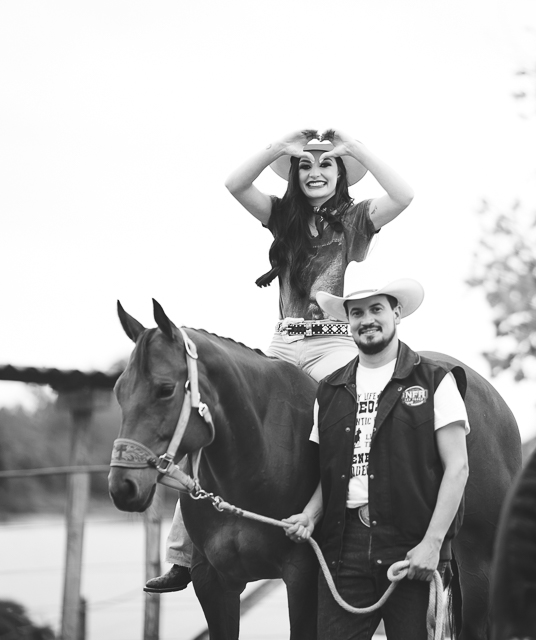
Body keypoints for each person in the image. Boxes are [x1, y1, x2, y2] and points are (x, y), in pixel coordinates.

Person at [144, 129, 414, 593]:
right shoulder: (281, 215)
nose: (315, 172)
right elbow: (234, 184)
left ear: (340, 175)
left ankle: (367, 531)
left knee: (357, 419)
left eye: (326, 165)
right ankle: (183, 555)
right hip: (284, 342)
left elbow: (404, 195)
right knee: (217, 418)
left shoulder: (354, 218)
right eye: (305, 166)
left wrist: (353, 149)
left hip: (333, 343)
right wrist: (279, 147)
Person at [282, 278, 469, 640]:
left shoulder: (435, 382)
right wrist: (309, 514)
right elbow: (334, 474)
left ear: (396, 312)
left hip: (412, 547)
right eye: (356, 313)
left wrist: (432, 545)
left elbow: (457, 468)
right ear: (348, 322)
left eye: (376, 309)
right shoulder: (330, 390)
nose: (366, 319)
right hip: (343, 550)